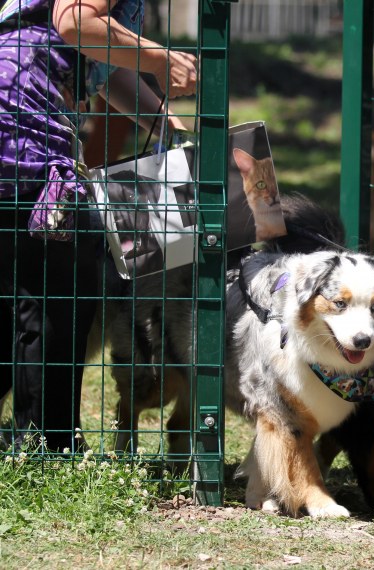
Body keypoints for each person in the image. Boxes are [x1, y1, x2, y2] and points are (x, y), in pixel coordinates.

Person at [0, 0, 196, 451]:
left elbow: (105, 69)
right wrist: (160, 57)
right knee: (58, 295)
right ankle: (45, 446)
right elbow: (76, 23)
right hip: (21, 138)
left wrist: (169, 132)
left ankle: (41, 440)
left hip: (22, 131)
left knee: (27, 298)